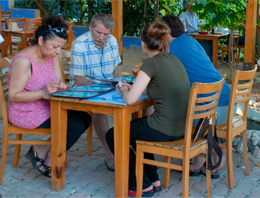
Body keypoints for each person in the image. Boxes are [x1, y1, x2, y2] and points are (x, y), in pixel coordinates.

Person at [106, 19, 191, 196]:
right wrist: (134, 87)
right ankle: (153, 180)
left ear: (143, 43)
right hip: (183, 127)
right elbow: (156, 86)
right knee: (137, 133)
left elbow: (129, 100)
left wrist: (123, 90)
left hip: (164, 128)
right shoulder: (173, 59)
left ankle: (139, 184)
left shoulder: (150, 64)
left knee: (114, 135)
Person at [8, 15, 92, 177]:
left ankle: (42, 148)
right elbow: (13, 95)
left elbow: (60, 81)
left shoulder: (51, 56)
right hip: (26, 112)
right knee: (73, 125)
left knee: (85, 118)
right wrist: (44, 92)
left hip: (48, 105)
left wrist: (61, 86)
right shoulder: (24, 62)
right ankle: (50, 160)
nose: (58, 52)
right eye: (55, 47)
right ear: (40, 41)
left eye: (61, 47)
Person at [162, 15, 232, 177]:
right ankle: (200, 157)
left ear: (165, 33)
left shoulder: (171, 47)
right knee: (187, 106)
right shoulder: (190, 40)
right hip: (227, 104)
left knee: (173, 115)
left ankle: (214, 149)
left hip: (213, 110)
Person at [70, 13, 121, 171]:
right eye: (98, 33)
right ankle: (109, 154)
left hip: (107, 86)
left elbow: (115, 69)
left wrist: (118, 85)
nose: (102, 37)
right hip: (86, 90)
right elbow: (79, 80)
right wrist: (105, 89)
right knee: (100, 110)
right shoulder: (79, 44)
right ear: (90, 27)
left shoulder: (112, 40)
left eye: (106, 34)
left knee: (134, 102)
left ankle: (127, 148)